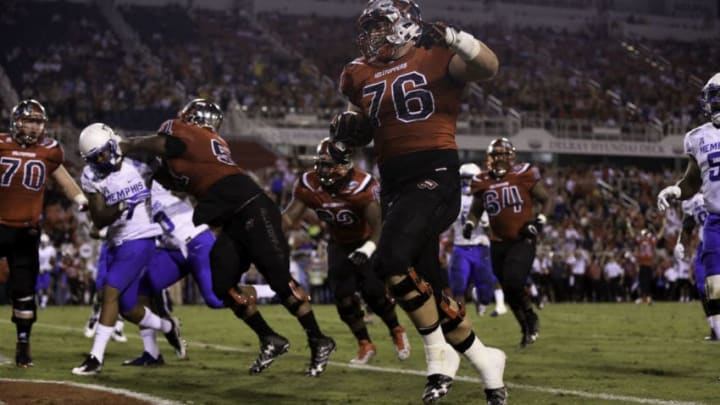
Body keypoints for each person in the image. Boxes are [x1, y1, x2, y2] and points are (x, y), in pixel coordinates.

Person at [333, 1, 506, 403]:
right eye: (369, 28)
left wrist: (456, 38)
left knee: (389, 261)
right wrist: (344, 140)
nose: (372, 35)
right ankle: (485, 360)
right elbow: (356, 122)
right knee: (432, 288)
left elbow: (489, 67)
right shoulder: (357, 72)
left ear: (405, 25)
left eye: (379, 26)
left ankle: (437, 356)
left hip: (436, 173)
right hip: (392, 182)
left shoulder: (437, 53)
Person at [119, 99, 336, 377]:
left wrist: (130, 144)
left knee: (279, 279)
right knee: (222, 284)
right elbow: (179, 180)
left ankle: (318, 339)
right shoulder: (205, 147)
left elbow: (166, 145)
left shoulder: (187, 135)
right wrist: (149, 169)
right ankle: (270, 338)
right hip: (234, 217)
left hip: (251, 207)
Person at [283, 138, 410, 365]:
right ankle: (365, 344)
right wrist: (267, 224)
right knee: (343, 298)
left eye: (328, 164)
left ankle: (396, 330)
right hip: (339, 243)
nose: (322, 170)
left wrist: (369, 248)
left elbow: (379, 225)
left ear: (344, 165)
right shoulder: (309, 184)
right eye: (320, 164)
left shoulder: (362, 185)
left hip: (367, 240)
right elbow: (289, 217)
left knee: (374, 293)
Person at [72, 123, 185, 375]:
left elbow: (170, 160)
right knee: (128, 307)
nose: (101, 160)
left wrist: (136, 145)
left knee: (109, 291)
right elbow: (100, 218)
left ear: (113, 143)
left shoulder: (139, 160)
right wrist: (121, 205)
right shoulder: (91, 175)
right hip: (116, 241)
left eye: (103, 153)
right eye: (95, 157)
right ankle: (168, 327)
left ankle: (95, 358)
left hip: (142, 237)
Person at [0, 99, 88, 368]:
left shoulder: (49, 151)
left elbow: (63, 179)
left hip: (27, 230)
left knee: (25, 290)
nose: (34, 127)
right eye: (29, 121)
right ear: (16, 122)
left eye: (38, 122)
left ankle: (23, 343)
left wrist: (80, 200)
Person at [465, 138, 552, 348]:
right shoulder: (481, 180)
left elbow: (547, 199)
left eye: (503, 156)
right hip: (497, 242)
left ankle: (531, 315)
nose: (499, 160)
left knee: (514, 282)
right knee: (508, 289)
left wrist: (539, 222)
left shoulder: (523, 174)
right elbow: (477, 208)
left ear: (511, 157)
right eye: (496, 156)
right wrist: (470, 223)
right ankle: (525, 327)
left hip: (522, 239)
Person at [658, 72, 720, 344]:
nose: (713, 103)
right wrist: (675, 190)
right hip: (716, 222)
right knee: (714, 285)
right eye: (713, 97)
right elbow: (692, 182)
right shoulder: (698, 137)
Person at [450, 163, 506, 317]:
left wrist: (486, 224)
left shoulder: (486, 197)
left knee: (486, 293)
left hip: (481, 246)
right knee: (458, 287)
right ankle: (460, 322)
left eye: (469, 179)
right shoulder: (453, 199)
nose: (466, 182)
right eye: (464, 178)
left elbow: (494, 230)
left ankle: (481, 299)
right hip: (460, 246)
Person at [674, 193, 716, 339]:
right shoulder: (689, 203)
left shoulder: (707, 195)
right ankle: (714, 328)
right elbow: (688, 226)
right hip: (704, 245)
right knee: (701, 286)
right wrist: (680, 243)